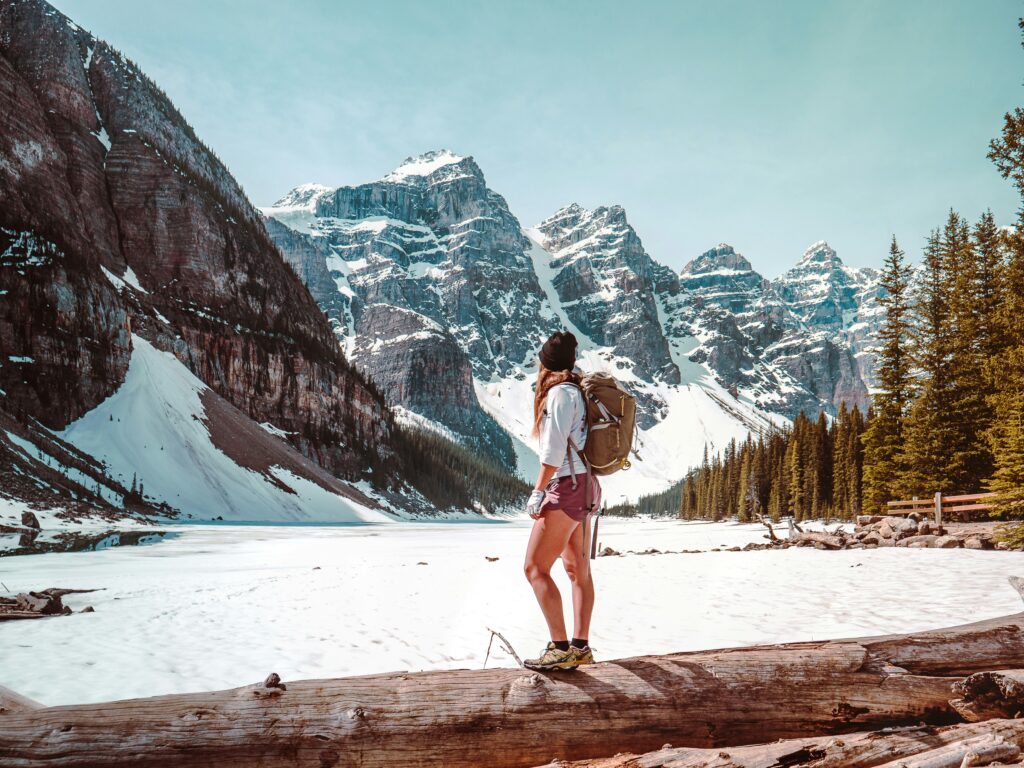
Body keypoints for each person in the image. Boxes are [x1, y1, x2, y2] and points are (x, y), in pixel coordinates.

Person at [522, 330, 601, 671]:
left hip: (565, 485)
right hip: (583, 484)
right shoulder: (576, 392)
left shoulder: (557, 396)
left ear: (545, 365)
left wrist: (538, 492)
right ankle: (580, 647)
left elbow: (552, 453)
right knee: (576, 569)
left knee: (535, 568)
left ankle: (559, 648)